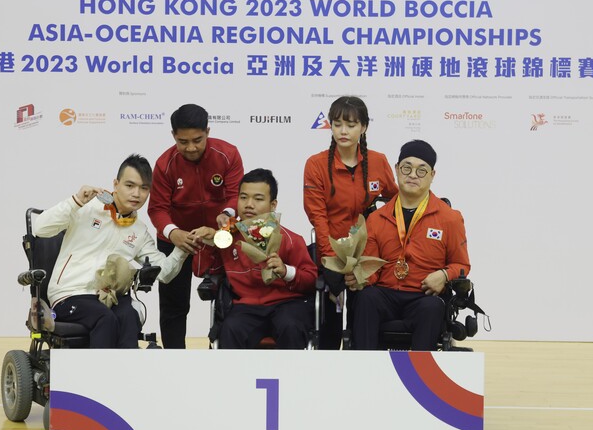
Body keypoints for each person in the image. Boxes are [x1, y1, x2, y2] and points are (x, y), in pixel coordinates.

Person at [34, 154, 187, 349]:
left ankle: (126, 377)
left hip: (109, 297)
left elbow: (164, 272)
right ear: (116, 184)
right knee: (105, 318)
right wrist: (76, 201)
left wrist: (183, 248)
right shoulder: (87, 207)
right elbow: (40, 229)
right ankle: (99, 378)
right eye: (130, 186)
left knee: (130, 315)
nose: (136, 194)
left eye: (144, 188)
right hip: (71, 293)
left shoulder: (139, 231)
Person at [347, 140, 471, 351]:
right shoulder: (376, 219)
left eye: (421, 171)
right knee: (366, 298)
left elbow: (461, 265)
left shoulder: (450, 218)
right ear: (396, 170)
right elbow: (372, 272)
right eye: (407, 167)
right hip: (385, 293)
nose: (413, 175)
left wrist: (443, 274)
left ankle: (420, 379)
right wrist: (359, 278)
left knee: (432, 307)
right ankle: (363, 373)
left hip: (423, 296)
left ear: (432, 176)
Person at [303, 96, 398, 349]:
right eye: (337, 124)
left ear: (364, 127)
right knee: (329, 320)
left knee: (366, 311)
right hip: (330, 251)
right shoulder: (316, 164)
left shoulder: (378, 161)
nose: (343, 131)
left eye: (351, 124)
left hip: (368, 253)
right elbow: (317, 216)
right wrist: (331, 261)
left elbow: (395, 203)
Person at [148, 104, 244, 348]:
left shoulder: (229, 154)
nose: (190, 148)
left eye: (197, 140)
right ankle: (174, 360)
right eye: (183, 141)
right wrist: (174, 233)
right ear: (173, 136)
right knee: (173, 307)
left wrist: (226, 215)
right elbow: (157, 208)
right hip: (178, 240)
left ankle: (227, 354)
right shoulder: (163, 164)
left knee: (232, 299)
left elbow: (238, 197)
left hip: (221, 234)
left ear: (208, 131)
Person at [193, 168, 318, 349]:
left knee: (290, 326)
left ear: (273, 205)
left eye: (258, 199)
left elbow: (312, 281)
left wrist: (286, 271)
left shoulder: (291, 239)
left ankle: (291, 377)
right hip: (246, 307)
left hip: (287, 304)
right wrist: (207, 242)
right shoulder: (227, 237)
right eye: (243, 198)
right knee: (230, 328)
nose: (249, 204)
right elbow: (201, 271)